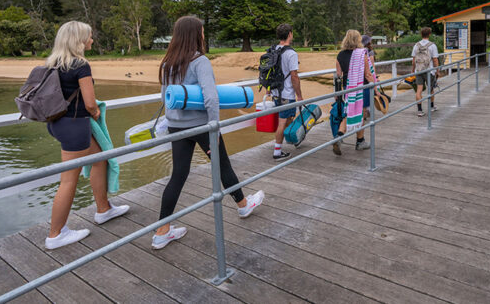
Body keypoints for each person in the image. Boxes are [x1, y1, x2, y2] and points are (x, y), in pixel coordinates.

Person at [154, 16, 264, 250]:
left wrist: (170, 121)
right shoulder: (199, 61)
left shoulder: (167, 63)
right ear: (195, 34)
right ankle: (243, 205)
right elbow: (211, 96)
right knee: (222, 165)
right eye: (202, 31)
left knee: (178, 175)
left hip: (177, 127)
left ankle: (162, 231)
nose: (203, 35)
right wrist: (214, 127)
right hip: (202, 127)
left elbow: (166, 98)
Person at [44, 21, 129, 250]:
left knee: (99, 159)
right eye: (90, 37)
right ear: (79, 40)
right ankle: (56, 234)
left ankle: (104, 210)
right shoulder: (80, 64)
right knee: (68, 180)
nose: (92, 40)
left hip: (58, 123)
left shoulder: (53, 64)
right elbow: (90, 103)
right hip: (75, 126)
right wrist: (95, 111)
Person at [332, 30, 378, 154]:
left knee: (349, 112)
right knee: (361, 112)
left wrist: (337, 93)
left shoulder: (340, 55)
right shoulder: (362, 54)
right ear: (358, 40)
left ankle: (339, 136)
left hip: (348, 88)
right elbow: (368, 74)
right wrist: (376, 89)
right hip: (361, 87)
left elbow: (338, 75)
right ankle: (360, 141)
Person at [270, 23, 303, 161]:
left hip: (275, 92)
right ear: (290, 34)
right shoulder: (291, 53)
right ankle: (277, 152)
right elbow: (294, 76)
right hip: (287, 93)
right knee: (282, 122)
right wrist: (299, 95)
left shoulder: (273, 50)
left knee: (288, 118)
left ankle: (294, 138)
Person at [412, 27, 439, 117]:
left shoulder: (416, 45)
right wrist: (437, 70)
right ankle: (431, 106)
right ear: (429, 34)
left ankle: (420, 110)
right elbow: (435, 60)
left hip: (418, 70)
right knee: (430, 89)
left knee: (419, 90)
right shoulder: (432, 45)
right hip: (429, 70)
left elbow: (413, 60)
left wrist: (413, 70)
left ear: (421, 34)